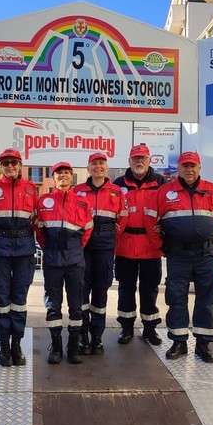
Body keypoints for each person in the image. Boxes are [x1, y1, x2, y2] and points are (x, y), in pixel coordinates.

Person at [156, 151, 213, 363]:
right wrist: (163, 245)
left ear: (199, 168)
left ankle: (203, 343)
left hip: (205, 253)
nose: (189, 169)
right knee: (176, 297)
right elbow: (152, 221)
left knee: (206, 298)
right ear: (178, 168)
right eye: (185, 165)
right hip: (178, 253)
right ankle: (179, 341)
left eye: (193, 165)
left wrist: (209, 236)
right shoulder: (164, 192)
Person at [0, 148, 37, 367]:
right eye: (5, 163)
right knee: (3, 300)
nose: (10, 166)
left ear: (20, 164)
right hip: (0, 250)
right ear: (0, 167)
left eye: (14, 162)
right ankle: (4, 345)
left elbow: (35, 220)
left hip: (24, 250)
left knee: (20, 301)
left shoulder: (31, 188)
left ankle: (17, 344)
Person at [36, 162, 93, 364]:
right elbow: (40, 231)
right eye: (59, 173)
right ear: (54, 178)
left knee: (76, 305)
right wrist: (50, 249)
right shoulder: (44, 201)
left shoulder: (83, 203)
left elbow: (87, 231)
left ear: (72, 177)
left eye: (67, 172)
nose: (63, 176)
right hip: (52, 258)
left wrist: (75, 249)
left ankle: (73, 345)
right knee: (53, 305)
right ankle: (57, 346)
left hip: (75, 260)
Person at [73, 152, 127, 355]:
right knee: (81, 290)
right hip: (83, 246)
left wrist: (112, 236)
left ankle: (97, 337)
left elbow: (124, 217)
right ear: (88, 168)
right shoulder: (77, 191)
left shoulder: (117, 191)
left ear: (107, 167)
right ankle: (82, 335)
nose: (98, 167)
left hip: (105, 246)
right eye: (94, 164)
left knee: (101, 290)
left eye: (101, 163)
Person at [113, 144, 166, 346]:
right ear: (129, 161)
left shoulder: (161, 183)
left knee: (150, 289)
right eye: (135, 158)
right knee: (125, 289)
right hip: (125, 246)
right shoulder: (118, 185)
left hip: (151, 247)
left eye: (142, 158)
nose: (139, 162)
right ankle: (126, 328)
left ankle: (150, 329)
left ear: (149, 160)